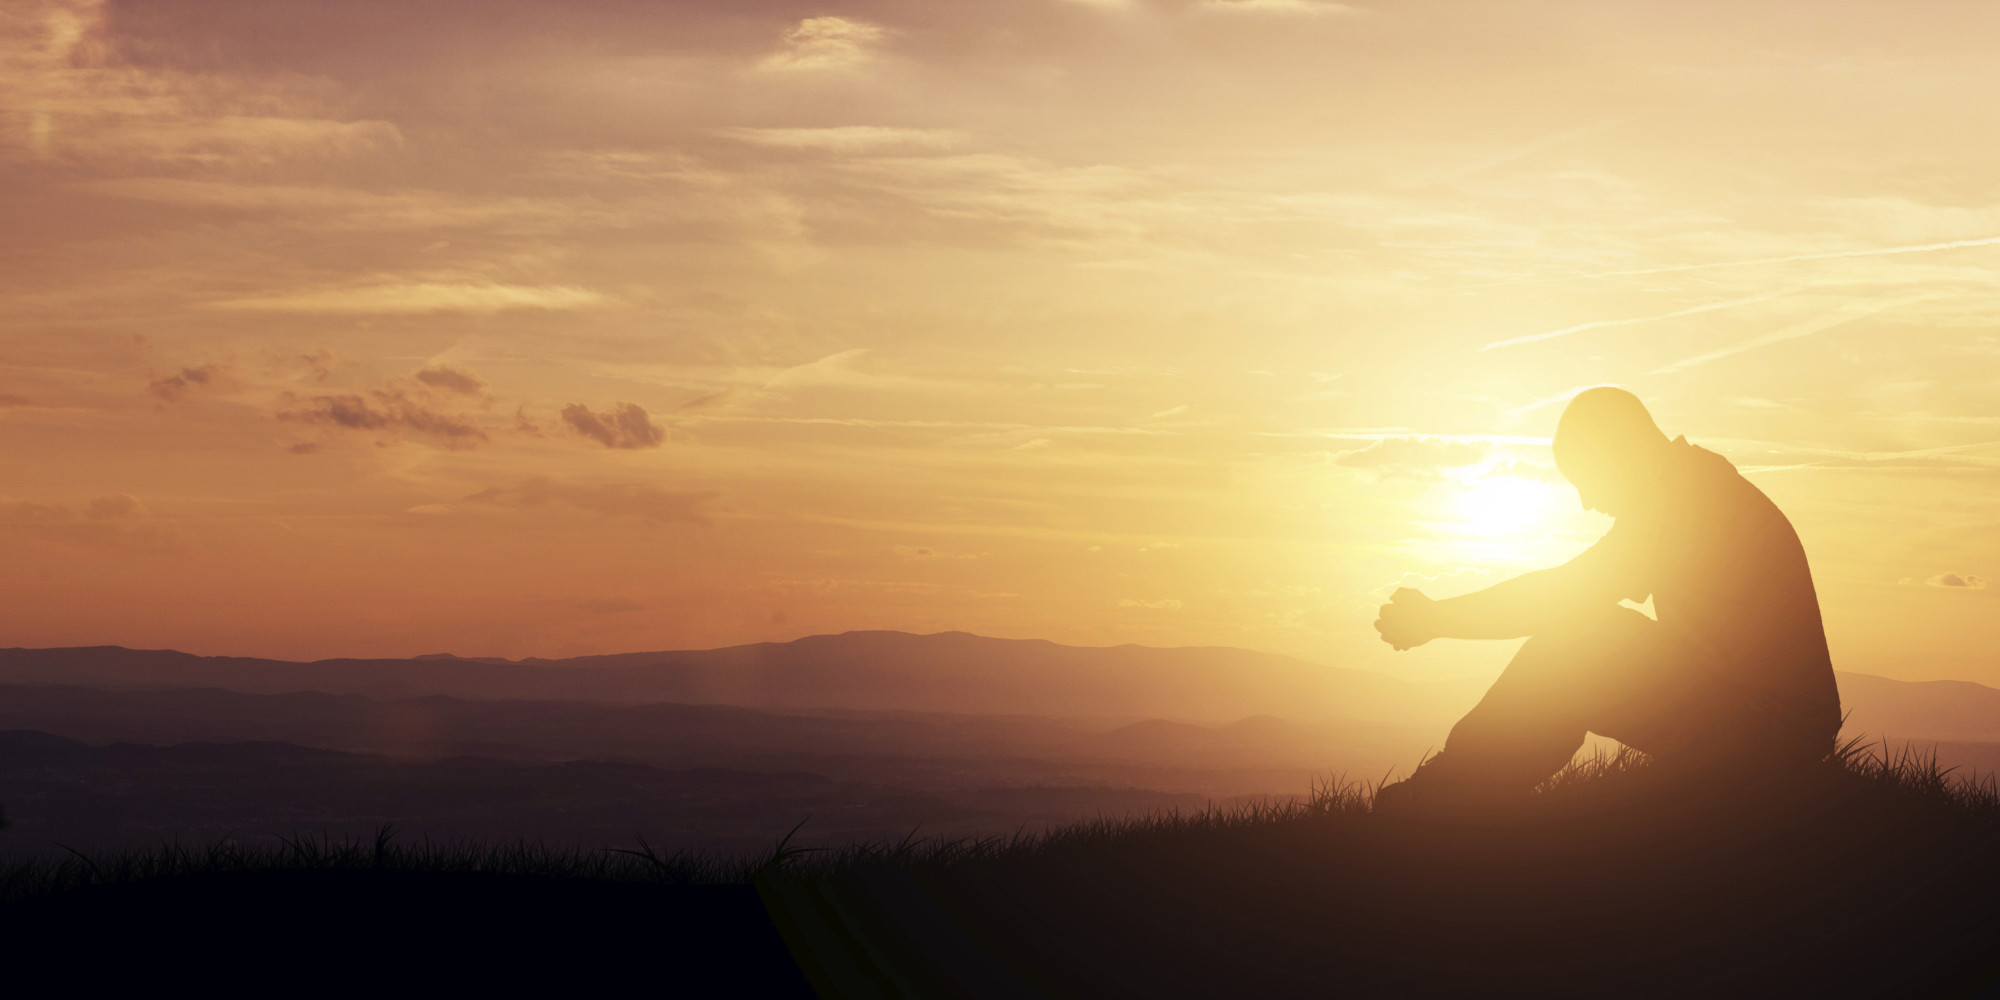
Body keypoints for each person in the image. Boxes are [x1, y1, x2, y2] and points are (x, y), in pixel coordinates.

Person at [1372, 387, 1842, 809]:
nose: (1587, 503)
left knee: (1576, 642)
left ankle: (1448, 796)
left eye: (1586, 479)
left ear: (1619, 455)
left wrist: (1435, 619)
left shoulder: (1688, 503)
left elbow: (1565, 594)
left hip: (1772, 734)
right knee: (1583, 635)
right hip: (1773, 723)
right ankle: (1465, 789)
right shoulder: (1693, 486)